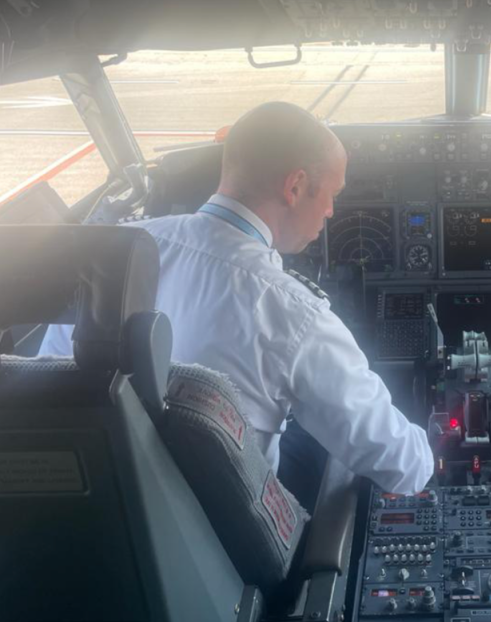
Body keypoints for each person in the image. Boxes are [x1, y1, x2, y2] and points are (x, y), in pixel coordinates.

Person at [40, 101, 433, 503]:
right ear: (294, 186)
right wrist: (435, 443)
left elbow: (50, 380)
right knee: (328, 446)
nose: (332, 212)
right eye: (332, 195)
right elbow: (402, 467)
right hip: (227, 541)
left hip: (91, 505)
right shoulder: (295, 314)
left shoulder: (108, 258)